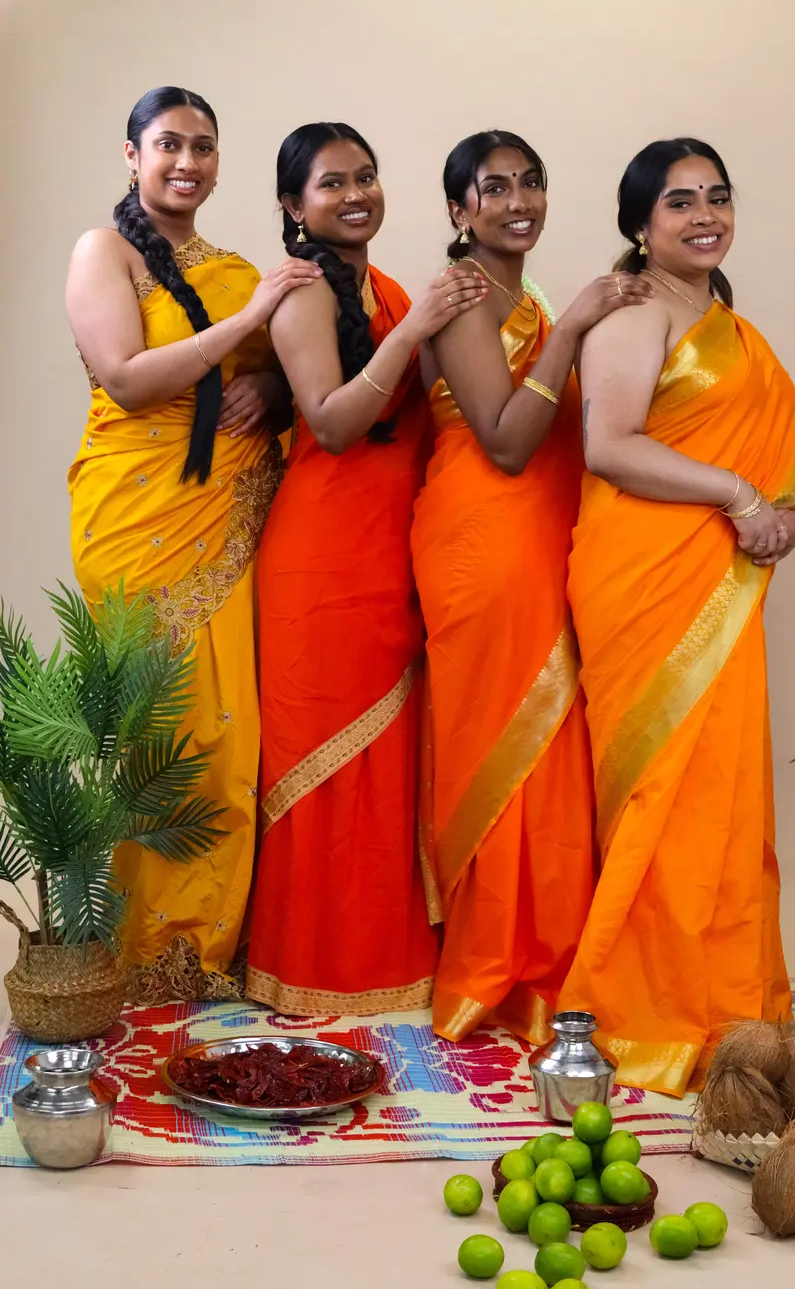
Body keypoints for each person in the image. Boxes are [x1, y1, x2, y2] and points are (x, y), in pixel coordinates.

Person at [560, 137, 795, 1096]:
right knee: (661, 795)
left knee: (722, 796)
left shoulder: (733, 331)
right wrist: (735, 493)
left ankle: (732, 1008)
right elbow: (607, 445)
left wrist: (782, 517)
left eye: (717, 197)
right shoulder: (633, 314)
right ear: (642, 224)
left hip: (719, 580)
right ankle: (647, 1013)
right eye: (680, 203)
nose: (704, 215)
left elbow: (786, 476)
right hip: (642, 575)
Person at [66, 86, 320, 1001]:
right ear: (132, 153)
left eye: (204, 147)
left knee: (227, 733)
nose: (187, 162)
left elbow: (297, 380)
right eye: (169, 144)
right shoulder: (107, 251)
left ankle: (207, 949)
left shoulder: (240, 268)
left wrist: (276, 398)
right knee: (158, 731)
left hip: (226, 518)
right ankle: (141, 953)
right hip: (135, 521)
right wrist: (249, 324)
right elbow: (129, 380)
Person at [411, 130, 653, 1043]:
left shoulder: (524, 295)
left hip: (546, 533)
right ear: (459, 210)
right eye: (495, 187)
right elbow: (507, 440)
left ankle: (552, 960)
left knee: (554, 754)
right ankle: (495, 970)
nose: (519, 201)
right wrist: (581, 325)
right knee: (506, 753)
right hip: (488, 538)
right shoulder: (467, 298)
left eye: (533, 183)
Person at [247, 123, 486, 1015]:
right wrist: (417, 328)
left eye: (368, 176)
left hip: (394, 549)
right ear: (292, 205)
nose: (357, 193)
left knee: (389, 765)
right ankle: (314, 971)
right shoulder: (306, 292)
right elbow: (335, 423)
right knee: (327, 761)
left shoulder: (380, 289)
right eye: (331, 182)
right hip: (322, 559)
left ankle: (390, 965)